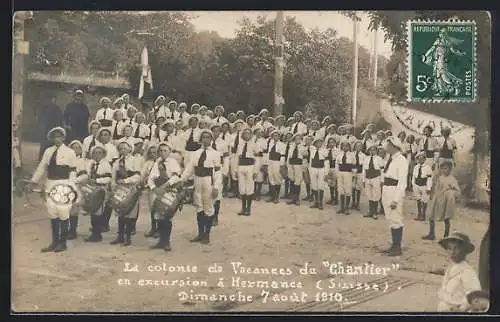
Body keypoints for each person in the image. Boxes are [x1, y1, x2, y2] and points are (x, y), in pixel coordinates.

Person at [30, 127, 78, 252]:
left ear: (64, 137)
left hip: (63, 183)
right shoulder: (48, 151)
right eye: (55, 136)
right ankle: (54, 242)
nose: (57, 139)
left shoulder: (70, 152)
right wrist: (33, 181)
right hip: (50, 183)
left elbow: (73, 171)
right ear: (51, 138)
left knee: (63, 213)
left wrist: (70, 187)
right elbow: (42, 167)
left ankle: (63, 243)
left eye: (59, 136)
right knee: (52, 212)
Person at [178, 130, 221, 244]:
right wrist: (182, 180)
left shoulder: (215, 154)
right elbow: (190, 168)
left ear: (211, 139)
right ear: (200, 139)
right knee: (199, 206)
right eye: (204, 137)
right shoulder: (196, 153)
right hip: (197, 180)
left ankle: (207, 234)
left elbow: (217, 172)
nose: (206, 139)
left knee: (208, 207)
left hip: (208, 181)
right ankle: (200, 233)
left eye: (208, 137)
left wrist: (216, 187)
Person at [147, 143, 182, 251]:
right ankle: (161, 241)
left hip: (169, 189)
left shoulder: (173, 162)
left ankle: (166, 241)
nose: (162, 153)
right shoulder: (157, 162)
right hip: (158, 191)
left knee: (167, 216)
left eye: (165, 151)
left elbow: (176, 176)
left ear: (169, 151)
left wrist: (165, 186)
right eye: (161, 151)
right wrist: (153, 188)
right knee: (158, 216)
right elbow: (151, 177)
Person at [437, 232, 482, 312]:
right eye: (450, 248)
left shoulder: (467, 272)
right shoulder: (450, 268)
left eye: (456, 248)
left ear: (464, 250)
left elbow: (474, 295)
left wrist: (461, 309)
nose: (452, 252)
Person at [109, 141, 142, 246]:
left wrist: (125, 181)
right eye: (120, 148)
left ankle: (128, 237)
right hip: (120, 188)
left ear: (130, 148)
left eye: (124, 148)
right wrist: (113, 185)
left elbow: (138, 176)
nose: (122, 150)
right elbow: (113, 175)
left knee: (129, 212)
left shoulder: (135, 160)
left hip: (130, 187)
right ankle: (120, 236)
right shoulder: (117, 162)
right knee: (120, 211)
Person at [380, 137, 408, 256]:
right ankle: (393, 245)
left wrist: (396, 200)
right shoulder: (390, 159)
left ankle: (397, 247)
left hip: (394, 191)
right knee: (390, 219)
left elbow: (402, 182)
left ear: (393, 146)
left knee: (396, 218)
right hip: (387, 189)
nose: (386, 148)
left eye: (388, 145)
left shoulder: (401, 160)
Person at [423, 160, 460, 240]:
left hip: (447, 201)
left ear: (450, 169)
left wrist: (452, 189)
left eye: (446, 168)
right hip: (438, 199)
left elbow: (458, 192)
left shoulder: (452, 179)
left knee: (446, 219)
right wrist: (432, 196)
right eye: (442, 169)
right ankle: (431, 234)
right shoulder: (440, 178)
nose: (444, 170)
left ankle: (446, 236)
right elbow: (437, 188)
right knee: (431, 217)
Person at [82, 146, 113, 242]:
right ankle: (95, 231)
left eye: (100, 153)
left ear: (103, 154)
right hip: (91, 188)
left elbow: (108, 178)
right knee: (92, 209)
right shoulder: (90, 163)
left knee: (98, 211)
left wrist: (97, 180)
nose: (97, 155)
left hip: (101, 189)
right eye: (95, 153)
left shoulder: (105, 164)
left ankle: (97, 234)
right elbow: (86, 174)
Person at [68, 140, 87, 239]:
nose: (75, 150)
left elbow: (85, 175)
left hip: (77, 186)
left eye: (78, 148)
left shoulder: (82, 161)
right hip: (66, 185)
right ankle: (66, 229)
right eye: (73, 147)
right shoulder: (67, 160)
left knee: (74, 209)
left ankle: (73, 230)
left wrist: (75, 180)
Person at [210, 124, 228, 225]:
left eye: (217, 131)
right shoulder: (207, 142)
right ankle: (209, 215)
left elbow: (226, 158)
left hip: (218, 168)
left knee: (218, 193)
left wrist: (225, 171)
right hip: (209, 168)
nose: (215, 133)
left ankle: (215, 217)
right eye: (214, 131)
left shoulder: (223, 143)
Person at [38, 93, 64, 161]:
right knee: (45, 144)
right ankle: (42, 159)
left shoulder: (57, 108)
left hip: (54, 129)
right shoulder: (45, 108)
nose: (53, 100)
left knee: (53, 144)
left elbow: (60, 119)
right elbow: (41, 119)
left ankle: (52, 159)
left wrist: (59, 128)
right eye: (51, 99)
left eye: (54, 99)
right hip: (46, 129)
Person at [362, 143, 383, 219]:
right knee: (369, 194)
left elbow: (382, 171)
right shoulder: (366, 158)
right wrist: (363, 180)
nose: (372, 151)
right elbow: (364, 170)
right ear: (368, 150)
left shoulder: (379, 159)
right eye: (371, 149)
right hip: (368, 177)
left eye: (374, 150)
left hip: (376, 177)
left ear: (376, 151)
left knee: (376, 195)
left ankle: (375, 212)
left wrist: (382, 181)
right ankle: (370, 211)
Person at [265, 129, 286, 204]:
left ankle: (276, 197)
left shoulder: (282, 145)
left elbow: (282, 155)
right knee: (271, 178)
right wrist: (266, 163)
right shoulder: (270, 144)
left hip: (277, 162)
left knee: (277, 178)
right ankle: (272, 196)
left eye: (277, 135)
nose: (275, 137)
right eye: (274, 135)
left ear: (279, 136)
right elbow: (268, 154)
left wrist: (281, 165)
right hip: (270, 162)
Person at [142, 144, 159, 238]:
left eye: (155, 152)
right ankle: (153, 228)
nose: (153, 154)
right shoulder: (148, 163)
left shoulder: (161, 162)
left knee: (159, 208)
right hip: (150, 187)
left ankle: (159, 230)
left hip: (160, 187)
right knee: (152, 208)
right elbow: (143, 173)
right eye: (151, 153)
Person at [335, 140, 356, 214]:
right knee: (341, 189)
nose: (345, 147)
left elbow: (354, 166)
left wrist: (353, 175)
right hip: (340, 173)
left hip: (348, 173)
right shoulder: (339, 154)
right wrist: (337, 173)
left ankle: (347, 207)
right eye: (343, 146)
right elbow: (337, 164)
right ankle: (342, 207)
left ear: (349, 147)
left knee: (348, 190)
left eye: (346, 146)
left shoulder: (352, 155)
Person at [308, 137, 329, 210]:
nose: (318, 144)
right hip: (313, 168)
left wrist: (326, 172)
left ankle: (320, 202)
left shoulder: (325, 151)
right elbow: (310, 160)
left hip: (321, 169)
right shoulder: (312, 150)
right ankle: (316, 201)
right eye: (317, 142)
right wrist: (310, 169)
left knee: (321, 185)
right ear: (315, 143)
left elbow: (326, 162)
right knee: (314, 185)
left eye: (320, 142)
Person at [286, 133, 307, 206]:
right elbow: (289, 156)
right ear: (294, 139)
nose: (297, 140)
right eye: (296, 138)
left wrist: (303, 167)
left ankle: (297, 198)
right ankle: (293, 198)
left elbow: (304, 158)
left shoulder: (303, 147)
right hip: (291, 164)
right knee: (292, 179)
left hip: (299, 165)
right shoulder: (291, 146)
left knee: (298, 181)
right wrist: (288, 165)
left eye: (299, 138)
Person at [413, 151, 433, 221]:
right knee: (418, 199)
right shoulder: (416, 167)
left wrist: (429, 187)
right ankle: (419, 214)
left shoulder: (428, 167)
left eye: (422, 159)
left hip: (424, 185)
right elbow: (414, 177)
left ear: (424, 159)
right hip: (417, 184)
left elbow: (429, 178)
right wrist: (413, 185)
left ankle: (423, 215)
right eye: (419, 159)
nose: (420, 160)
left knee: (425, 200)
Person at [252, 126, 267, 201]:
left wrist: (264, 163)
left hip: (260, 158)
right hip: (252, 158)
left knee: (260, 175)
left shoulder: (264, 140)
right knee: (253, 175)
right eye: (257, 132)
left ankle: (258, 193)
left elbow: (265, 152)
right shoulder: (252, 139)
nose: (259, 133)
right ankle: (253, 192)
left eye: (260, 132)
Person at [352, 141, 366, 210]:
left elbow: (364, 166)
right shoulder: (351, 154)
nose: (358, 147)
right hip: (353, 171)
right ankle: (353, 203)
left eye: (360, 146)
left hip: (360, 172)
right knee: (352, 187)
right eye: (357, 146)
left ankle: (357, 203)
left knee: (358, 188)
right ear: (355, 147)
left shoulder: (363, 155)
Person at [325, 137, 339, 205]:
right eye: (330, 142)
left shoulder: (337, 151)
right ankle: (332, 198)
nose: (331, 144)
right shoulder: (326, 150)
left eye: (332, 142)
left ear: (335, 143)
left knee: (335, 184)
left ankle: (336, 199)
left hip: (334, 168)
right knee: (330, 184)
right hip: (328, 167)